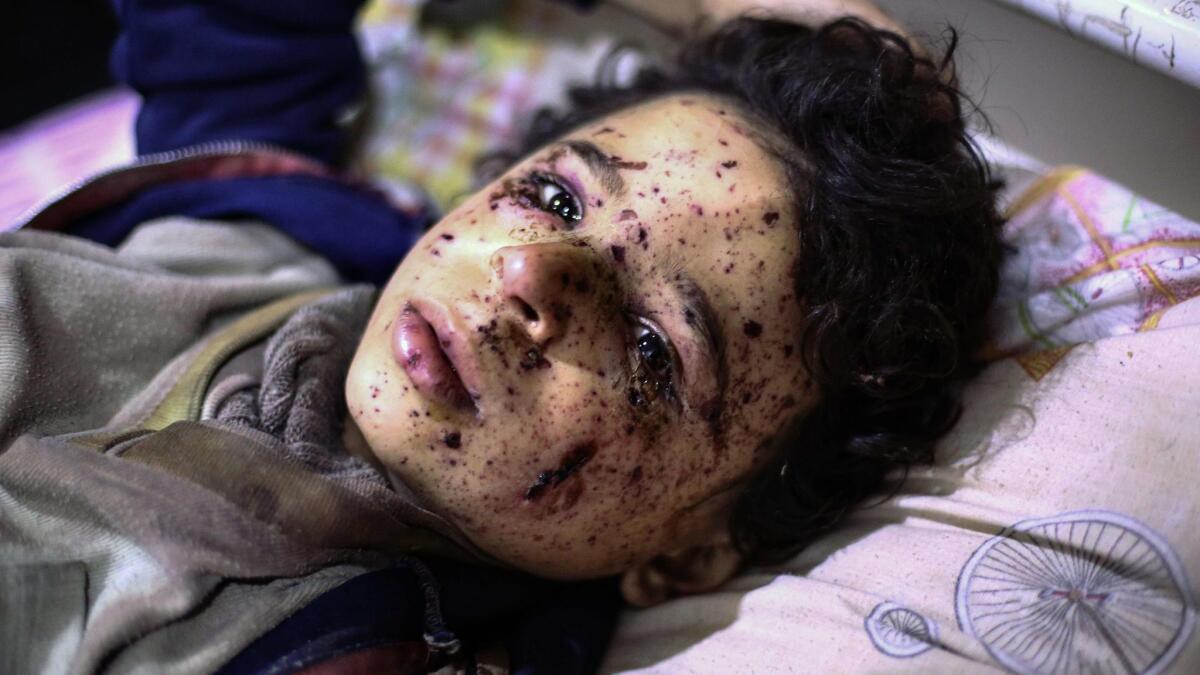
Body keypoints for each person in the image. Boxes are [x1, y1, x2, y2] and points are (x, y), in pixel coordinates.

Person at [0, 0, 1003, 672]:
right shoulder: (267, 218)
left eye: (654, 348)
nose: (527, 271)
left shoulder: (372, 646)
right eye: (557, 193)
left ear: (694, 557)